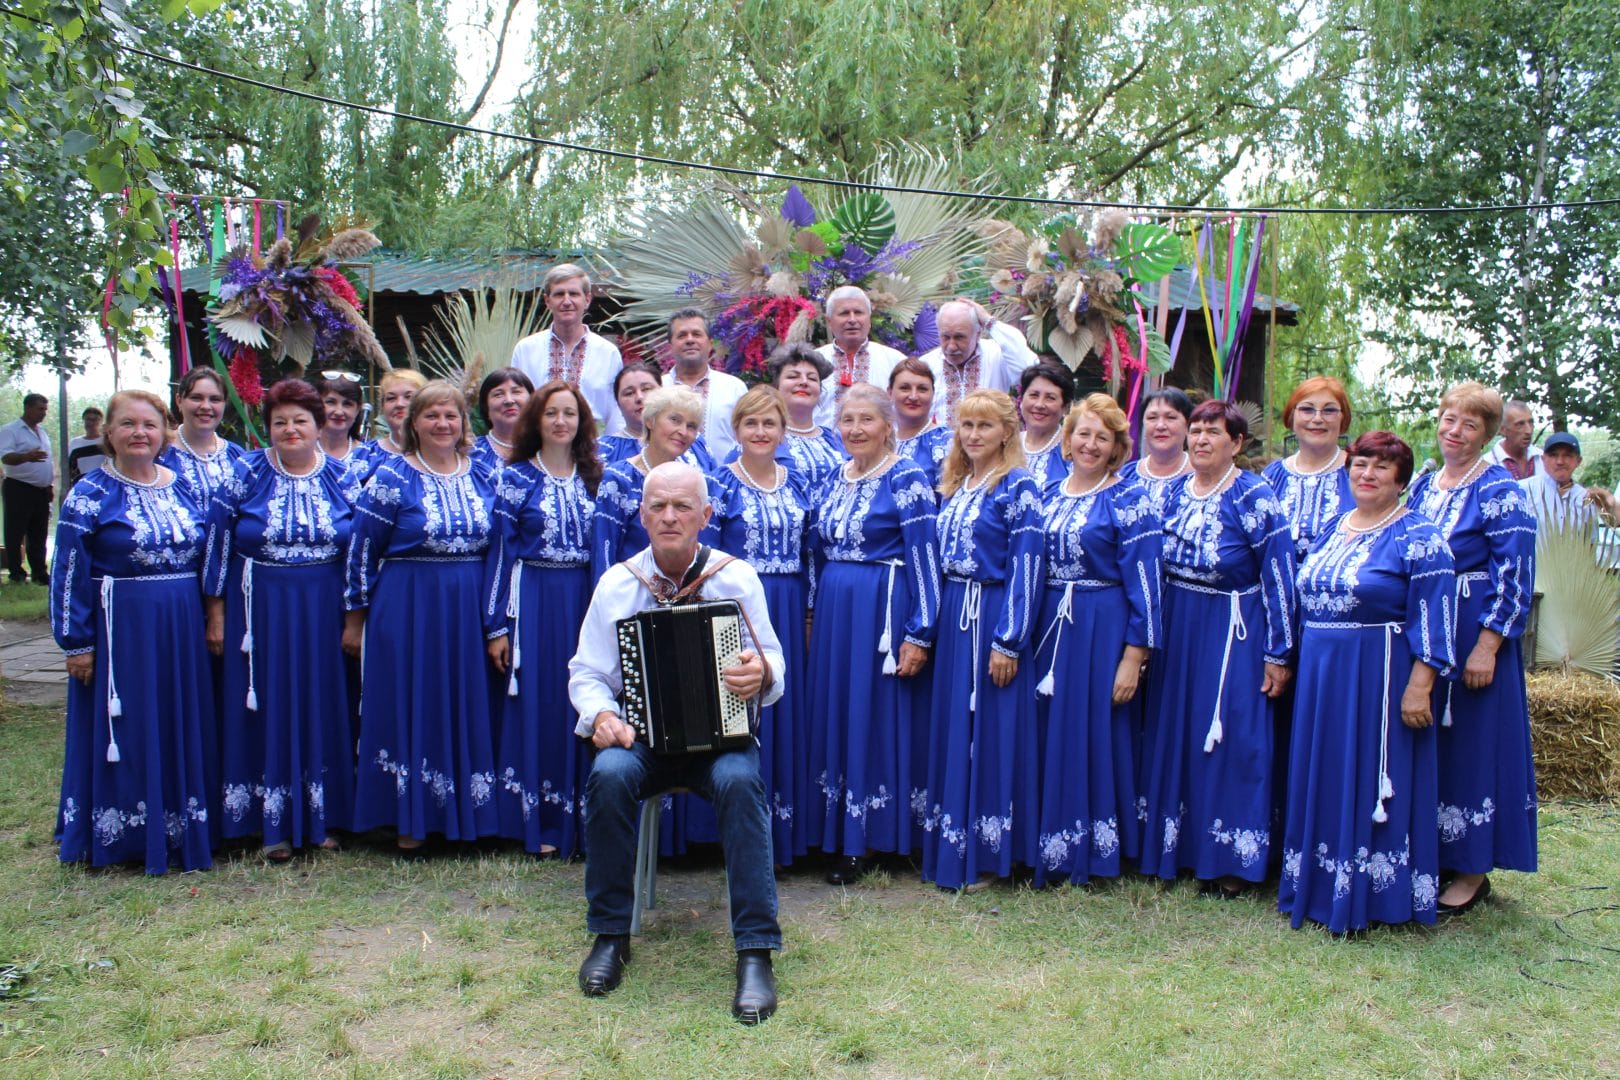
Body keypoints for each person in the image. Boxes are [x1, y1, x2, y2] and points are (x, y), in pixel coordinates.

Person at [568, 461, 785, 1024]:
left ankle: (756, 951)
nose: (669, 517)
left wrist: (758, 674)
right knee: (610, 774)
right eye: (657, 506)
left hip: (721, 743)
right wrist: (601, 715)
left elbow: (774, 660)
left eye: (682, 506)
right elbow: (586, 672)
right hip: (643, 742)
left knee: (741, 782)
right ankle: (611, 936)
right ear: (641, 514)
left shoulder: (736, 578)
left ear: (705, 516)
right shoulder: (619, 583)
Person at [1279, 431, 1457, 933]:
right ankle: (1319, 883)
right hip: (1321, 675)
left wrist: (1420, 683)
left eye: (1381, 466)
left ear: (1401, 479)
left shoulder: (1419, 536)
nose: (1367, 474)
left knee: (1372, 775)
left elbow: (1436, 616)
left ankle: (1374, 894)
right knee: (1326, 771)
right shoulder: (1336, 527)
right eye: (1359, 464)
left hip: (1378, 674)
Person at [1139, 400, 1297, 898]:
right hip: (1177, 622)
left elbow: (1279, 574)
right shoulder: (1172, 494)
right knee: (1177, 731)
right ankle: (1180, 849)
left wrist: (1279, 652)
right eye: (1197, 431)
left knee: (1232, 736)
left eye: (1215, 433)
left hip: (1234, 628)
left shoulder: (1254, 496)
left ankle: (1233, 858)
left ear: (1237, 443)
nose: (1203, 440)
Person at [51, 389, 213, 874]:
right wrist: (77, 642)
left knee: (176, 718)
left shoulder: (185, 485)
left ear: (165, 431)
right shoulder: (90, 493)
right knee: (128, 723)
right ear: (109, 434)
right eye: (128, 424)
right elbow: (68, 572)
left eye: (149, 424)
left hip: (181, 626)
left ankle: (180, 827)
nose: (139, 433)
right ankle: (122, 834)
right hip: (121, 629)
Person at [343, 381, 500, 854]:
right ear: (413, 423)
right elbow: (361, 549)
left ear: (464, 422)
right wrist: (355, 618)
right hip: (408, 604)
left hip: (467, 605)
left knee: (463, 701)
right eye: (431, 415)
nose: (442, 424)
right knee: (412, 702)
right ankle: (408, 818)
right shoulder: (393, 478)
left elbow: (499, 547)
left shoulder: (484, 475)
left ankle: (465, 818)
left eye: (451, 415)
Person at [203, 379, 355, 861]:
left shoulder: (344, 477)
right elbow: (217, 546)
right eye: (280, 422)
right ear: (267, 428)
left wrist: (355, 616)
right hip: (259, 608)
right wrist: (216, 614)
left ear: (318, 425)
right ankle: (267, 824)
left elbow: (360, 553)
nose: (290, 430)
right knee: (263, 705)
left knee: (323, 705)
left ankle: (324, 817)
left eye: (300, 421)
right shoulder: (243, 474)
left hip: (324, 607)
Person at [1407, 382, 1537, 916]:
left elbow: (1517, 573)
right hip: (1425, 629)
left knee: (1474, 744)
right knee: (1428, 739)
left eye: (1469, 424)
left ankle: (1473, 868)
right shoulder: (1421, 485)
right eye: (1448, 419)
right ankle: (1434, 850)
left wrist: (1488, 644)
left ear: (1486, 435)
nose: (1454, 431)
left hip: (1471, 629)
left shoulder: (1501, 489)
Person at [808, 383, 940, 884]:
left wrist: (920, 631)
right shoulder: (832, 477)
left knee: (875, 715)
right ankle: (837, 829)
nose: (856, 430)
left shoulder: (907, 476)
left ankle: (871, 838)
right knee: (839, 712)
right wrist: (812, 615)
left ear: (888, 426)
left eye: (867, 420)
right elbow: (817, 554)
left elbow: (926, 557)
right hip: (838, 610)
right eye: (847, 421)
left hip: (884, 609)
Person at [1031, 394, 1162, 887]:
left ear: (1116, 448)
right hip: (1048, 623)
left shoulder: (1129, 500)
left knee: (1096, 731)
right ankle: (1047, 841)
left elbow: (1147, 584)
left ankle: (1095, 848)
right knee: (1047, 728)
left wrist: (1134, 655)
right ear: (1067, 441)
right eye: (1082, 434)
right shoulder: (1045, 493)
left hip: (1102, 624)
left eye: (1101, 437)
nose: (1089, 444)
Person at [917, 390, 1045, 891]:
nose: (973, 435)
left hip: (992, 612)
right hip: (954, 614)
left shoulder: (1019, 487)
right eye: (966, 425)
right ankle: (952, 843)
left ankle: (992, 854)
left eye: (984, 427)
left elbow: (1028, 566)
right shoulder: (956, 483)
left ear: (1006, 433)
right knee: (954, 726)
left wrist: (1008, 640)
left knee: (992, 729)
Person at [483, 381, 601, 858]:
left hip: (583, 600)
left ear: (581, 421)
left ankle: (586, 819)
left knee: (583, 704)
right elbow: (500, 555)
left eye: (569, 414)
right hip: (533, 600)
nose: (560, 422)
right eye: (551, 413)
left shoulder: (596, 476)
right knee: (540, 705)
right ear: (537, 420)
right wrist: (497, 626)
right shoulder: (515, 479)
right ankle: (539, 821)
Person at [711, 386, 816, 866]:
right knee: (736, 713)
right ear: (737, 430)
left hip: (790, 607)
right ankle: (732, 836)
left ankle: (783, 834)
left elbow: (811, 554)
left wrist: (810, 610)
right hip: (739, 610)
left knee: (784, 714)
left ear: (782, 430)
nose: (760, 432)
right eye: (750, 424)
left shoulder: (797, 483)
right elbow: (706, 560)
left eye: (769, 424)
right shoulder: (719, 484)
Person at [593, 385, 720, 582]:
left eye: (691, 426)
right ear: (650, 420)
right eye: (675, 420)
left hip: (686, 594)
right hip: (632, 592)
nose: (683, 431)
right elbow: (604, 550)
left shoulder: (693, 479)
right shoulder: (619, 479)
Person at [510, 263, 625, 435]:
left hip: (593, 447)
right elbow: (517, 404)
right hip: (537, 446)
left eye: (573, 294)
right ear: (547, 301)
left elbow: (616, 411)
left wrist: (612, 452)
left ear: (587, 299)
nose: (566, 301)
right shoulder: (526, 349)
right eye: (559, 294)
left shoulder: (608, 353)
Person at [1263, 376, 1356, 562]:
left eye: (1329, 411)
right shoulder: (1272, 476)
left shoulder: (1358, 472)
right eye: (1307, 409)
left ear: (1343, 418)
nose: (1317, 418)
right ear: (1292, 416)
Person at [918, 299, 1039, 427]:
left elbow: (1029, 369)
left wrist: (989, 322)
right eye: (945, 337)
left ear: (978, 333)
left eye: (959, 337)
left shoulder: (996, 355)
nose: (951, 346)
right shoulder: (927, 364)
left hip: (992, 444)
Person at [814, 285, 909, 427]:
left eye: (858, 312)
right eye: (844, 313)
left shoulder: (895, 360)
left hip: (880, 447)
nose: (852, 319)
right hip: (824, 447)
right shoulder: (814, 362)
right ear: (829, 322)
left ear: (869, 319)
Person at [663, 308, 748, 462]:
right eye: (681, 335)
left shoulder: (734, 388)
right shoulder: (658, 388)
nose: (690, 340)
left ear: (710, 344)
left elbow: (746, 439)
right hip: (667, 482)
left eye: (696, 334)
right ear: (670, 346)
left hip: (724, 482)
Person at [158, 368, 247, 510]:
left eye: (215, 399)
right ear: (179, 401)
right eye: (196, 398)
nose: (206, 406)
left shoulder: (237, 456)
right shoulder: (159, 452)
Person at [599, 362, 714, 471]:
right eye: (629, 393)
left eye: (647, 389)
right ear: (618, 403)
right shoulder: (603, 450)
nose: (640, 397)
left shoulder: (693, 441)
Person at [1, 392, 54, 584]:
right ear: (28, 408)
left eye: (45, 409)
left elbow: (47, 461)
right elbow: (6, 457)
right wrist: (26, 457)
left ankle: (39, 573)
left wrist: (48, 485)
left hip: (40, 490)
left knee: (38, 533)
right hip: (19, 487)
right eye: (40, 409)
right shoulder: (11, 430)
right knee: (15, 532)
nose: (43, 413)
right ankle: (17, 573)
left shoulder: (42, 432)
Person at [1519, 432, 1619, 530]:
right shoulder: (1522, 490)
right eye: (1553, 455)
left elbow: (1614, 523)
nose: (1560, 462)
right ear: (1543, 459)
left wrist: (1609, 504)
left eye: (1567, 455)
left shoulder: (1585, 497)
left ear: (1578, 461)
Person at [1118, 387, 1193, 515]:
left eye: (1170, 417)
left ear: (1188, 426)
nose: (1160, 426)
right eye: (1152, 418)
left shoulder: (1200, 477)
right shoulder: (1124, 476)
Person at [353, 367, 428, 478]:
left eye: (408, 397)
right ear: (382, 406)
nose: (400, 404)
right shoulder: (365, 455)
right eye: (391, 398)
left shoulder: (442, 454)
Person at [1016, 363, 1077, 499]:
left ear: (1065, 407)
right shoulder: (1004, 444)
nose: (1039, 405)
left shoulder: (1073, 451)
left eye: (1050, 398)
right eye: (1033, 395)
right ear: (1021, 399)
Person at [889, 358, 951, 491]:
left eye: (922, 389)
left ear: (933, 394)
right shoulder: (880, 440)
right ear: (890, 392)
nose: (913, 396)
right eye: (905, 388)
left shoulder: (945, 441)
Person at [312, 370, 371, 502]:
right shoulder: (302, 453)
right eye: (331, 402)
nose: (339, 411)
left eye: (347, 404)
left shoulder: (370, 457)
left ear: (357, 410)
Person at [470, 367, 534, 471]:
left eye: (516, 392)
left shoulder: (546, 450)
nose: (509, 400)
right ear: (486, 409)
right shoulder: (471, 453)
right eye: (498, 394)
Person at [1485, 399, 1540, 480]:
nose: (1529, 430)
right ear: (1503, 430)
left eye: (1531, 422)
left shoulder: (1543, 459)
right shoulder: (1487, 466)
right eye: (1520, 424)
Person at [66, 407, 107, 485]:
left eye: (95, 419)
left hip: (104, 485)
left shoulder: (107, 442)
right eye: (88, 419)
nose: (91, 423)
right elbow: (69, 468)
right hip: (82, 486)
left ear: (101, 421)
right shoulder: (74, 443)